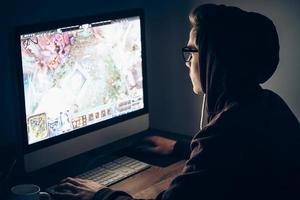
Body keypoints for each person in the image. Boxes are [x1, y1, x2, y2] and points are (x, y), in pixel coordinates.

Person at [52, 4, 300, 200]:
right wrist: (180, 148)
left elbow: (221, 153)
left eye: (191, 51)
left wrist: (101, 195)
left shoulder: (224, 135)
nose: (187, 61)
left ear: (213, 60)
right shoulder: (270, 105)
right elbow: (231, 161)